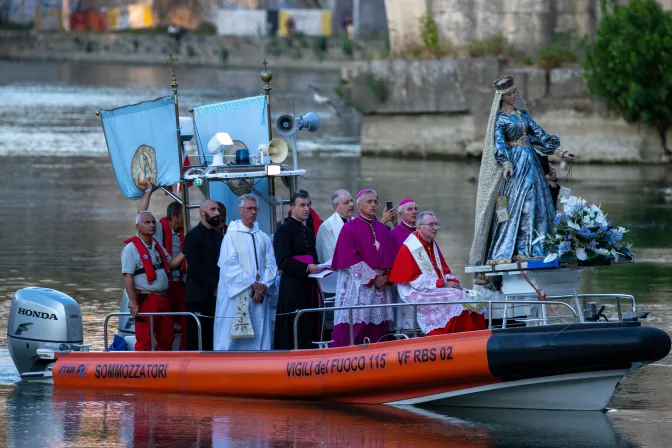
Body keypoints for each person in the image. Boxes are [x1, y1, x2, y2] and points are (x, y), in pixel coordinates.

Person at [469, 76, 579, 266]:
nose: (513, 96)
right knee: (521, 202)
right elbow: (499, 144)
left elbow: (539, 135)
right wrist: (505, 164)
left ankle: (540, 246)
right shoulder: (500, 120)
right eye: (509, 94)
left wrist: (561, 152)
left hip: (531, 161)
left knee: (539, 202)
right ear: (501, 97)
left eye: (514, 93)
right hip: (516, 164)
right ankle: (519, 249)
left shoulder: (523, 116)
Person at [390, 212, 486, 335]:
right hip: (415, 290)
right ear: (419, 227)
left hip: (432, 285)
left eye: (436, 224)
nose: (435, 228)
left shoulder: (431, 243)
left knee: (475, 296)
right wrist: (443, 284)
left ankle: (477, 336)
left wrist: (451, 281)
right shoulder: (410, 247)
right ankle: (452, 335)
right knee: (458, 298)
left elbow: (442, 269)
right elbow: (414, 280)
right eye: (431, 224)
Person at [330, 189, 397, 347]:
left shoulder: (382, 229)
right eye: (369, 202)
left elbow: (392, 257)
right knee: (356, 327)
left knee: (378, 329)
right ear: (359, 205)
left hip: (381, 288)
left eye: (375, 201)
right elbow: (350, 259)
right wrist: (374, 279)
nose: (374, 205)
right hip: (359, 287)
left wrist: (386, 276)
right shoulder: (349, 228)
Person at [214, 194, 278, 351]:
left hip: (259, 294)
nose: (253, 212)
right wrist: (253, 284)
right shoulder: (231, 236)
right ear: (240, 211)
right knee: (231, 335)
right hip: (238, 295)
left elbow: (271, 265)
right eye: (249, 208)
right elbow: (229, 265)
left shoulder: (263, 237)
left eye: (255, 208)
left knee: (260, 331)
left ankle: (260, 365)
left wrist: (263, 285)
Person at [121, 212, 186, 351]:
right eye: (147, 223)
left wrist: (186, 250)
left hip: (163, 298)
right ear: (138, 226)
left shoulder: (157, 246)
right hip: (146, 298)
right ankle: (142, 369)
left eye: (153, 222)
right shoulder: (131, 249)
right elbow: (127, 276)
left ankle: (164, 369)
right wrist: (132, 301)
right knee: (145, 339)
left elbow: (172, 264)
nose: (151, 225)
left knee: (167, 337)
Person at [137, 178, 188, 349]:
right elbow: (142, 212)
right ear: (173, 217)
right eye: (183, 216)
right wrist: (148, 190)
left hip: (179, 283)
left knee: (188, 324)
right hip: (162, 285)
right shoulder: (157, 228)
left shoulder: (186, 233)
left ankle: (184, 359)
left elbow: (176, 263)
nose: (186, 220)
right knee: (159, 331)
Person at [273, 192, 324, 350]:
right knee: (294, 321)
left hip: (309, 284)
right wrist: (306, 268)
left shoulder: (308, 231)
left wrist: (321, 266)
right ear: (292, 207)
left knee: (309, 321)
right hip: (292, 286)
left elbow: (312, 255)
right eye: (302, 205)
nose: (306, 209)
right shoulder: (284, 230)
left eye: (308, 205)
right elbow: (283, 261)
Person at [183, 200, 223, 351]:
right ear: (202, 212)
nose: (217, 213)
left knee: (213, 338)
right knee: (197, 339)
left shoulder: (218, 237)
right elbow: (194, 267)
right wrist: (214, 287)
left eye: (217, 210)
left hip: (217, 298)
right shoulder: (192, 236)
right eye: (213, 209)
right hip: (198, 298)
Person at [316, 189, 355, 263]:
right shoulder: (326, 227)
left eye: (351, 201)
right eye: (346, 202)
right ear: (336, 207)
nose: (351, 204)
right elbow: (328, 257)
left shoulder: (356, 222)